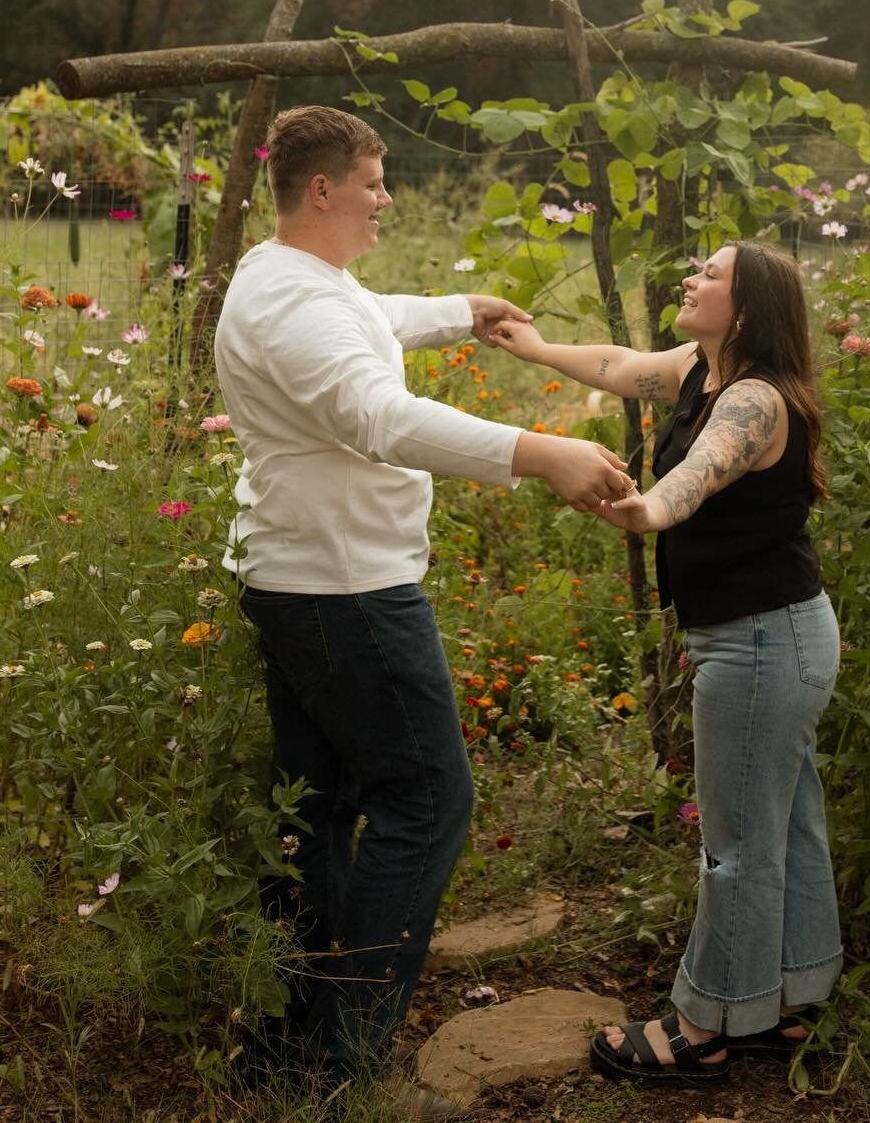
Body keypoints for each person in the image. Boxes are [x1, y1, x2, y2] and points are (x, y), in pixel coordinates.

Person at [213, 105, 633, 1113]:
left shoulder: (288, 278)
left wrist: (461, 307)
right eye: (375, 179)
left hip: (302, 575)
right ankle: (342, 1062)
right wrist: (542, 453)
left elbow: (367, 318)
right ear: (324, 190)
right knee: (427, 801)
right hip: (348, 591)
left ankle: (288, 1042)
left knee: (313, 813)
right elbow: (378, 415)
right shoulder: (296, 304)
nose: (386, 196)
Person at [489, 239, 842, 1088]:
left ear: (748, 308)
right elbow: (617, 365)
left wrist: (647, 508)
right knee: (783, 826)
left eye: (710, 275)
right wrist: (533, 348)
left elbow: (704, 473)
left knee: (739, 842)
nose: (689, 278)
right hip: (771, 634)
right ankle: (783, 1004)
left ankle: (702, 1027)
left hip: (762, 641)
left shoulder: (754, 399)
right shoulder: (702, 366)